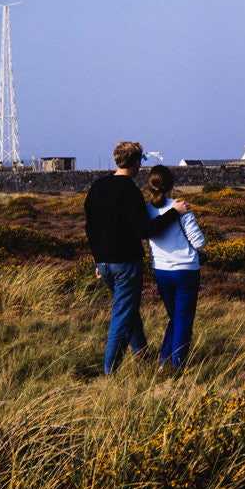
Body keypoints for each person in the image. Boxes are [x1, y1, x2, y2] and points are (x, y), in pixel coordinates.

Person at [84, 140, 189, 375]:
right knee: (121, 317)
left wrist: (97, 261)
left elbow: (90, 228)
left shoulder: (97, 187)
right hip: (126, 264)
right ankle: (109, 373)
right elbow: (144, 231)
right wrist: (174, 212)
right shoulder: (130, 190)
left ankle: (142, 354)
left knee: (128, 310)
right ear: (137, 161)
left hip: (103, 264)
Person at [144, 164, 206, 369]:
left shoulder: (146, 209)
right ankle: (177, 365)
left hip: (161, 271)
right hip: (186, 270)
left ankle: (164, 361)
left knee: (174, 317)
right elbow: (199, 243)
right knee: (183, 319)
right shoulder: (181, 208)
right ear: (171, 185)